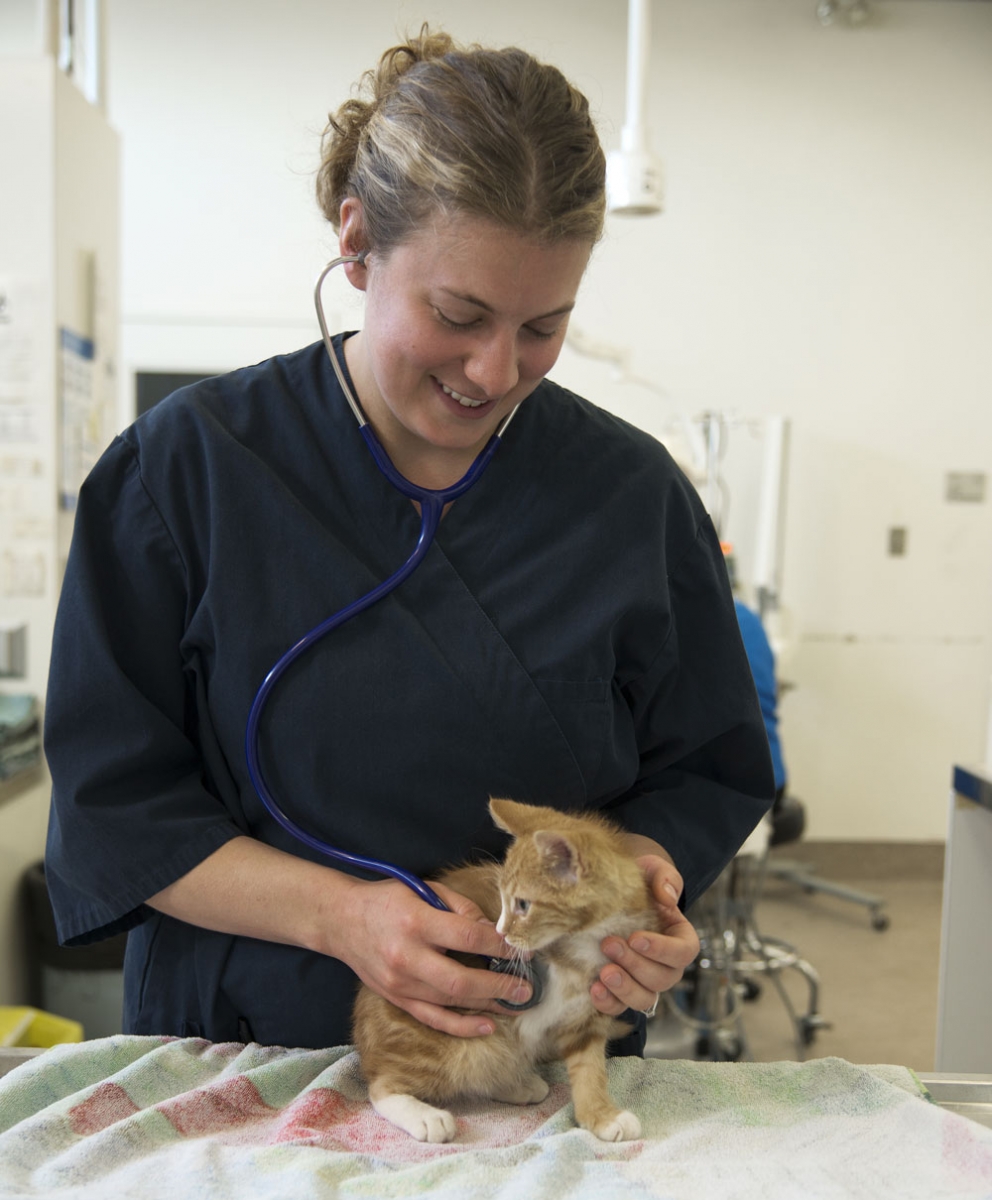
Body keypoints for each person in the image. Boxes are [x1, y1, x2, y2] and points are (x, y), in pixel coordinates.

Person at [43, 29, 774, 1053]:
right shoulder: (182, 473)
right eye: (456, 313)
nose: (492, 370)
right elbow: (114, 810)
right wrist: (341, 919)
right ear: (354, 244)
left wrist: (636, 890)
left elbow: (703, 768)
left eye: (541, 327)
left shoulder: (630, 495)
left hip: (536, 1054)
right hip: (250, 1044)